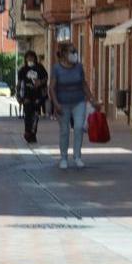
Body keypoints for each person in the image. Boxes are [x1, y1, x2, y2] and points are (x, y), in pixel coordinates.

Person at [48, 42, 99, 170]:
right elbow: (52, 88)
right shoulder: (57, 68)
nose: (74, 54)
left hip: (79, 101)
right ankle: (63, 158)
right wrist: (55, 104)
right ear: (64, 54)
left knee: (78, 127)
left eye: (75, 51)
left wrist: (92, 99)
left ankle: (77, 156)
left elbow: (83, 84)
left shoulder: (79, 67)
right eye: (72, 52)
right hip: (62, 103)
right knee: (64, 131)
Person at [16, 50, 48, 143]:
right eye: (28, 57)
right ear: (25, 59)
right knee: (28, 115)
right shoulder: (22, 70)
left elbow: (46, 77)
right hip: (27, 95)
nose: (30, 59)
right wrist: (18, 96)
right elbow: (19, 83)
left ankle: (33, 133)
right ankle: (27, 132)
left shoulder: (40, 67)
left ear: (35, 58)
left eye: (32, 57)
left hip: (37, 95)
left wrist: (40, 82)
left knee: (36, 115)